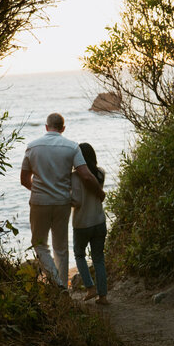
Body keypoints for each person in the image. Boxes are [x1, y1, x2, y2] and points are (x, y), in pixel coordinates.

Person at [20, 112, 104, 289]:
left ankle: (57, 284)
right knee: (61, 248)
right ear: (63, 128)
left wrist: (38, 190)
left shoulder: (32, 147)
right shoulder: (72, 147)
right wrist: (99, 192)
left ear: (46, 127)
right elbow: (86, 176)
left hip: (39, 202)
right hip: (62, 203)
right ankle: (63, 288)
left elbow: (24, 179)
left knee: (39, 244)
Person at [70, 142, 108, 304]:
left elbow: (77, 201)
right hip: (99, 220)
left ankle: (90, 288)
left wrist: (66, 200)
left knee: (79, 255)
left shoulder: (74, 177)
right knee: (99, 258)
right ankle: (103, 296)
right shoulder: (100, 173)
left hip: (82, 223)